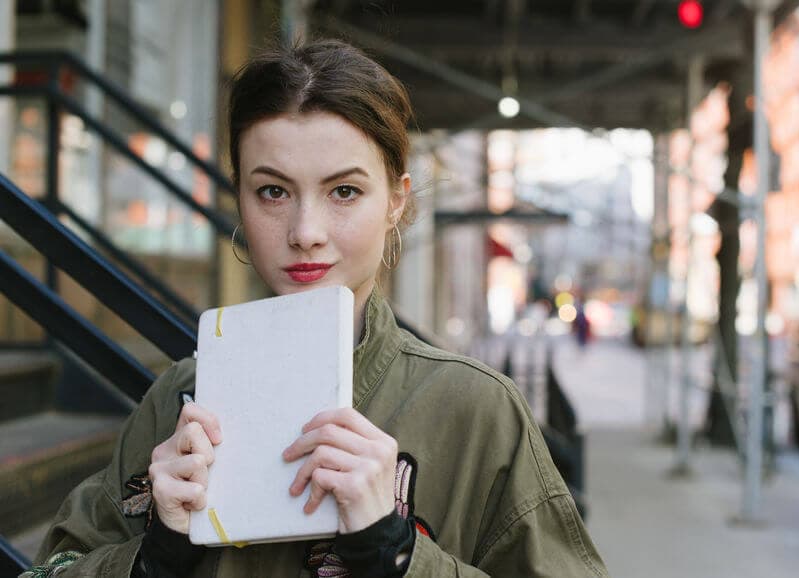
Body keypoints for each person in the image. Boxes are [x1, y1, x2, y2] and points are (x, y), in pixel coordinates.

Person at [23, 39, 609, 578]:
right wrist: (152, 558)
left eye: (344, 191)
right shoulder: (179, 400)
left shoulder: (475, 411)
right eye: (272, 191)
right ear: (241, 201)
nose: (305, 232)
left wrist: (399, 553)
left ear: (396, 201)